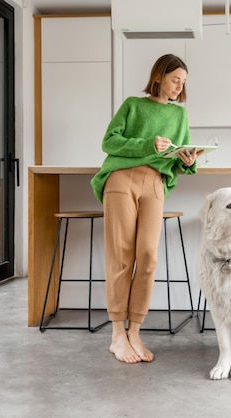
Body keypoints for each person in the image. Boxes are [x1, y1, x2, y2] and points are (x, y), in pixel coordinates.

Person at [91, 54, 203, 364]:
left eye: (183, 82)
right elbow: (109, 142)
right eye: (175, 80)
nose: (179, 87)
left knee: (149, 256)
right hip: (121, 180)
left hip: (154, 183)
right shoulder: (133, 105)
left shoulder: (180, 116)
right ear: (159, 77)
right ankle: (117, 335)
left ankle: (135, 332)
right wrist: (147, 145)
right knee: (121, 255)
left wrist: (188, 161)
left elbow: (180, 153)